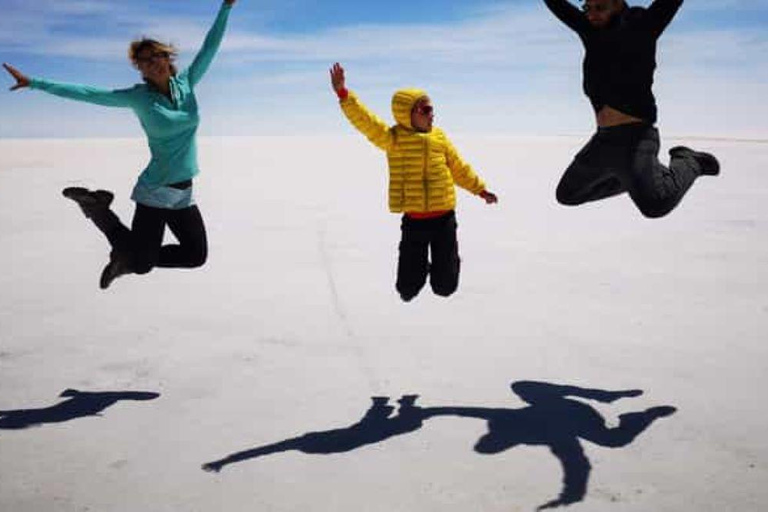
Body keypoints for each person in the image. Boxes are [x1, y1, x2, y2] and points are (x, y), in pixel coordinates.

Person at [3, 0, 237, 289]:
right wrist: (35, 82)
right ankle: (100, 212)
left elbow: (209, 48)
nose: (152, 64)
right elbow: (90, 93)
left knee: (195, 255)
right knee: (142, 265)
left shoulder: (187, 83)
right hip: (155, 190)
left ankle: (127, 249)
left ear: (167, 57)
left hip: (183, 193)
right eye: (144, 62)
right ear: (141, 71)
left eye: (156, 57)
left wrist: (225, 7)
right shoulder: (139, 98)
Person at [329, 63, 498, 302]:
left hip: (444, 221)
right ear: (408, 113)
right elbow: (366, 123)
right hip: (414, 223)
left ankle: (448, 262)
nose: (432, 114)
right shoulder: (394, 139)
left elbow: (459, 168)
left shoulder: (439, 137)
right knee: (407, 289)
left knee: (445, 288)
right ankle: (423, 269)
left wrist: (480, 190)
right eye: (426, 109)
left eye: (432, 109)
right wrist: (344, 95)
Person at [543, 0, 719, 218]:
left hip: (635, 139)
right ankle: (639, 179)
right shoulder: (590, 33)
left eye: (600, 7)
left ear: (618, 4)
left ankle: (690, 160)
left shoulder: (643, 27)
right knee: (568, 194)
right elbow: (561, 8)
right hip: (602, 140)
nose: (591, 14)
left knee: (655, 206)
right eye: (587, 8)